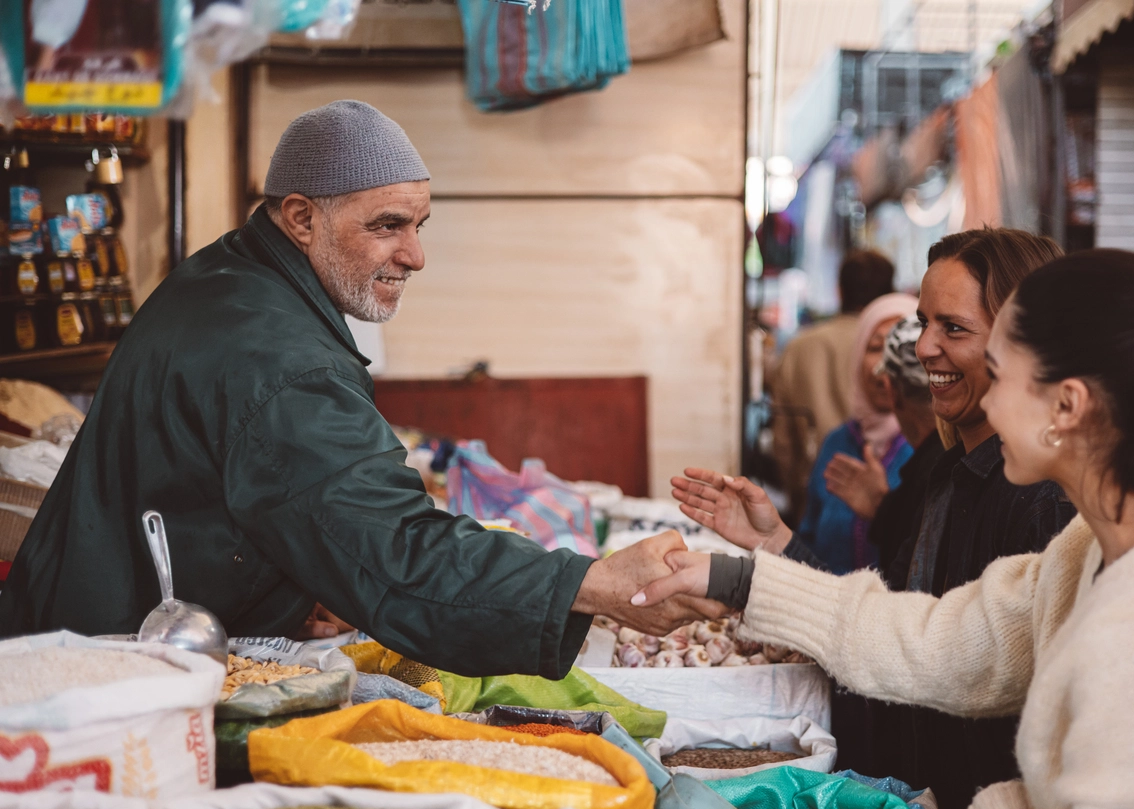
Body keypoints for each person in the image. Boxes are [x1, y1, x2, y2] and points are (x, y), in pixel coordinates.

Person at [0, 101, 721, 675]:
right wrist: (588, 585)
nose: (415, 254)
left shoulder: (230, 276)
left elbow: (228, 485)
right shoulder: (281, 360)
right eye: (387, 226)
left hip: (88, 631)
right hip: (105, 666)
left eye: (419, 224)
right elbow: (397, 549)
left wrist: (288, 585)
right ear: (302, 218)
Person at [640, 249, 1134, 809]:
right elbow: (940, 641)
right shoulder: (1099, 540)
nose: (984, 401)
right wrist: (739, 578)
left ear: (1067, 405)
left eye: (999, 376)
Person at [670, 228, 1075, 809]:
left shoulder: (1041, 499)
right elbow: (887, 619)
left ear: (1021, 343)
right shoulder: (939, 470)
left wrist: (742, 578)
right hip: (919, 808)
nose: (924, 347)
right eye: (922, 322)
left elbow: (947, 657)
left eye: (954, 328)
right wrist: (776, 542)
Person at [796, 292, 918, 572]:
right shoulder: (837, 443)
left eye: (899, 348)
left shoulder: (929, 449)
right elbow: (808, 538)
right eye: (875, 347)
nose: (883, 365)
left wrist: (884, 511)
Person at [771, 250, 895, 519]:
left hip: (815, 496)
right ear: (889, 293)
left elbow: (783, 440)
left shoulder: (798, 347)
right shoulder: (899, 349)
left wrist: (798, 496)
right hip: (889, 496)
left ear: (839, 291)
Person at [826, 316, 945, 577]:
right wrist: (883, 507)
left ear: (891, 391)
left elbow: (906, 585)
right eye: (872, 346)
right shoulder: (963, 457)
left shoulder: (935, 471)